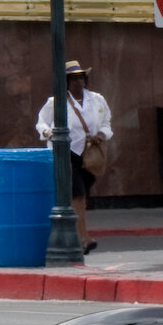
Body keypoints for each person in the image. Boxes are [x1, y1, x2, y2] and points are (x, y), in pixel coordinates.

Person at [35, 59, 111, 254]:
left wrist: (102, 134)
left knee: (82, 194)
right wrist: (48, 133)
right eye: (74, 78)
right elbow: (41, 123)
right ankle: (83, 238)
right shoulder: (56, 102)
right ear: (66, 81)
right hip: (66, 152)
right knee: (78, 194)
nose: (78, 82)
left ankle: (76, 236)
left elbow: (106, 123)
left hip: (88, 153)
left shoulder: (97, 99)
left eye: (81, 77)